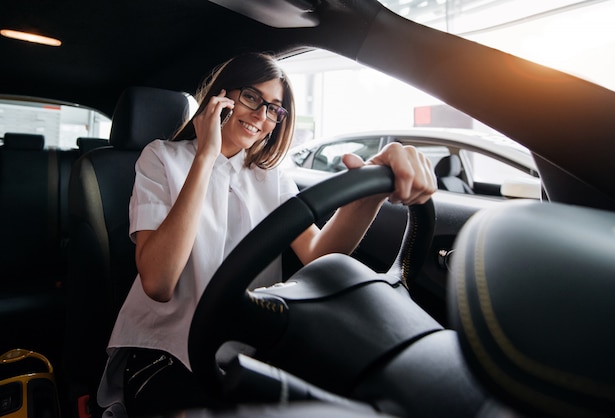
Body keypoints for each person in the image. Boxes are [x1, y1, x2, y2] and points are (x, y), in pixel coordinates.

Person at [97, 52, 437, 416]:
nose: (261, 116)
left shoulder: (270, 176)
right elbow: (159, 282)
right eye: (252, 98)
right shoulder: (161, 158)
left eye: (274, 108)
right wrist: (206, 156)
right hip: (165, 352)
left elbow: (318, 256)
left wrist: (370, 196)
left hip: (247, 348)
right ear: (221, 98)